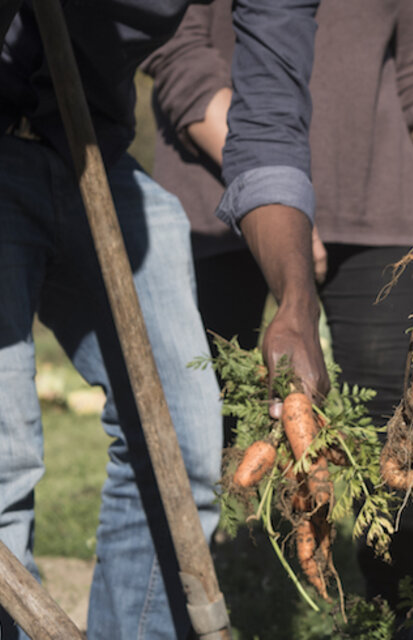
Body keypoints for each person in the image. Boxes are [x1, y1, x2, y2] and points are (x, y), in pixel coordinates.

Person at [0, 0, 336, 637]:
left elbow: (267, 124)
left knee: (182, 442)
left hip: (91, 149)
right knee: (3, 464)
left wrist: (296, 303)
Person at [142, 0, 413, 624]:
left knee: (391, 432)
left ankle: (395, 618)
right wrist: (277, 204)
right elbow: (178, 57)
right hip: (221, 204)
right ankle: (184, 609)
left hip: (373, 205)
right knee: (198, 425)